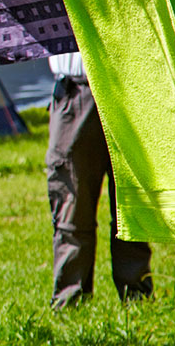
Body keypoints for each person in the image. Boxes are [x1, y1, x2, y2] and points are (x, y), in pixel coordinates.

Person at [46, 51, 152, 309]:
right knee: (71, 202)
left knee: (132, 203)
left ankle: (137, 298)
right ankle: (71, 302)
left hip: (125, 84)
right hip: (75, 87)